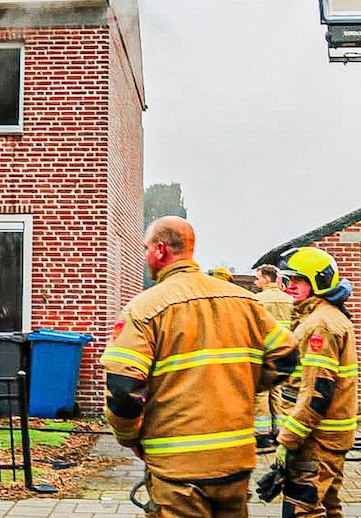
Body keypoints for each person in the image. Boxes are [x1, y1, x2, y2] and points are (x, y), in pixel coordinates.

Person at [101, 216, 300, 518]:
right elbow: (286, 355)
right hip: (234, 463)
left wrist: (129, 438)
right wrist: (244, 382)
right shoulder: (245, 303)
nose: (145, 256)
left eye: (146, 248)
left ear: (160, 250)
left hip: (177, 469)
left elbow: (123, 389)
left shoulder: (145, 309)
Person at [273, 246, 358, 518]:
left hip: (316, 441)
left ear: (317, 283)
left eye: (298, 280)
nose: (290, 287)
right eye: (288, 279)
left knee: (302, 512)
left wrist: (288, 440)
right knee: (329, 508)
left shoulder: (320, 325)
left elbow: (316, 393)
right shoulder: (319, 317)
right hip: (326, 439)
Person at [253, 264, 294, 447]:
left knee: (261, 392)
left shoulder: (257, 300)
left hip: (263, 351)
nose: (256, 281)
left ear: (267, 279)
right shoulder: (289, 300)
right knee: (278, 391)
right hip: (284, 350)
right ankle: (279, 430)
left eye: (258, 278)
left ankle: (262, 434)